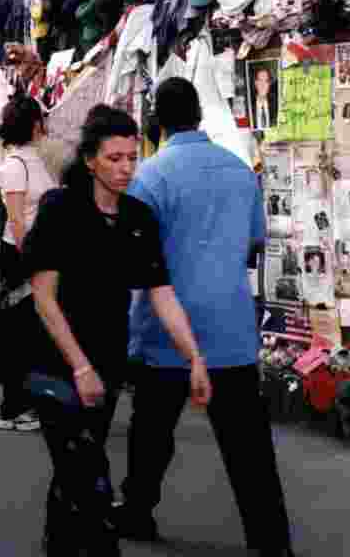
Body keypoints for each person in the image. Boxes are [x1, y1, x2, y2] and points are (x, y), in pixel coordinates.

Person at [113, 77, 295, 557]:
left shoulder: (149, 177)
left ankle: (137, 511)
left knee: (151, 433)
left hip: (166, 330)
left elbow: (135, 260)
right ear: (199, 116)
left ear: (158, 120)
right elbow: (254, 240)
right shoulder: (241, 171)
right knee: (248, 446)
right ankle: (271, 541)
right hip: (231, 329)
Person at [21, 104, 210, 557]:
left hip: (107, 361)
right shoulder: (61, 209)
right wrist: (79, 366)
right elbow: (44, 297)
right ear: (90, 160)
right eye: (114, 158)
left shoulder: (138, 218)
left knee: (74, 472)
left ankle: (58, 546)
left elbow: (161, 293)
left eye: (132, 158)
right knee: (93, 480)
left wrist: (194, 357)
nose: (126, 168)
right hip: (54, 362)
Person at [0, 94, 56, 432]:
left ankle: (27, 403)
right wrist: (30, 262)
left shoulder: (37, 159)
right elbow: (17, 221)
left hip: (38, 253)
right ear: (34, 124)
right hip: (21, 255)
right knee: (20, 330)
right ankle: (13, 408)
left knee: (35, 330)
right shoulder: (15, 164)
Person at [251, 64, 278, 129]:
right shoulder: (249, 104)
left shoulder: (276, 103)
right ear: (255, 83)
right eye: (260, 80)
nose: (263, 85)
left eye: (266, 81)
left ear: (269, 84)